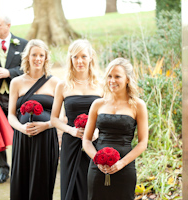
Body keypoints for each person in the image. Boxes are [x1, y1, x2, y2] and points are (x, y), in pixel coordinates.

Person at [83, 57, 149, 200]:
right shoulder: (97, 104)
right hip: (97, 168)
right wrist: (97, 160)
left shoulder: (138, 105)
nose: (112, 80)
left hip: (125, 167)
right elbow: (86, 140)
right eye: (109, 76)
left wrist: (121, 163)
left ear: (127, 79)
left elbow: (143, 143)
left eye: (117, 76)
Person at [51, 39, 103, 200]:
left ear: (91, 57)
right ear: (70, 59)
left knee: (94, 186)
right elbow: (54, 119)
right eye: (75, 57)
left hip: (95, 141)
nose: (79, 61)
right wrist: (71, 130)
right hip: (71, 143)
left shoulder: (101, 85)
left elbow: (108, 116)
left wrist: (97, 131)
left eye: (83, 56)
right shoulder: (63, 85)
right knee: (70, 187)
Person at [8, 39, 60, 200]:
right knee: (21, 180)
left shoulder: (56, 83)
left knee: (42, 181)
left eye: (41, 55)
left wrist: (45, 125)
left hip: (46, 139)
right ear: (27, 57)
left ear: (46, 58)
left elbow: (61, 117)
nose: (38, 59)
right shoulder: (16, 82)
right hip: (22, 139)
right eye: (34, 55)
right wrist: (22, 128)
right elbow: (11, 115)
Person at [0, 14, 28, 183]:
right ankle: (3, 169)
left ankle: (19, 167)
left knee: (18, 132)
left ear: (8, 25)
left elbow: (28, 68)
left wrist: (10, 73)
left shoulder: (23, 44)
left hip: (17, 97)